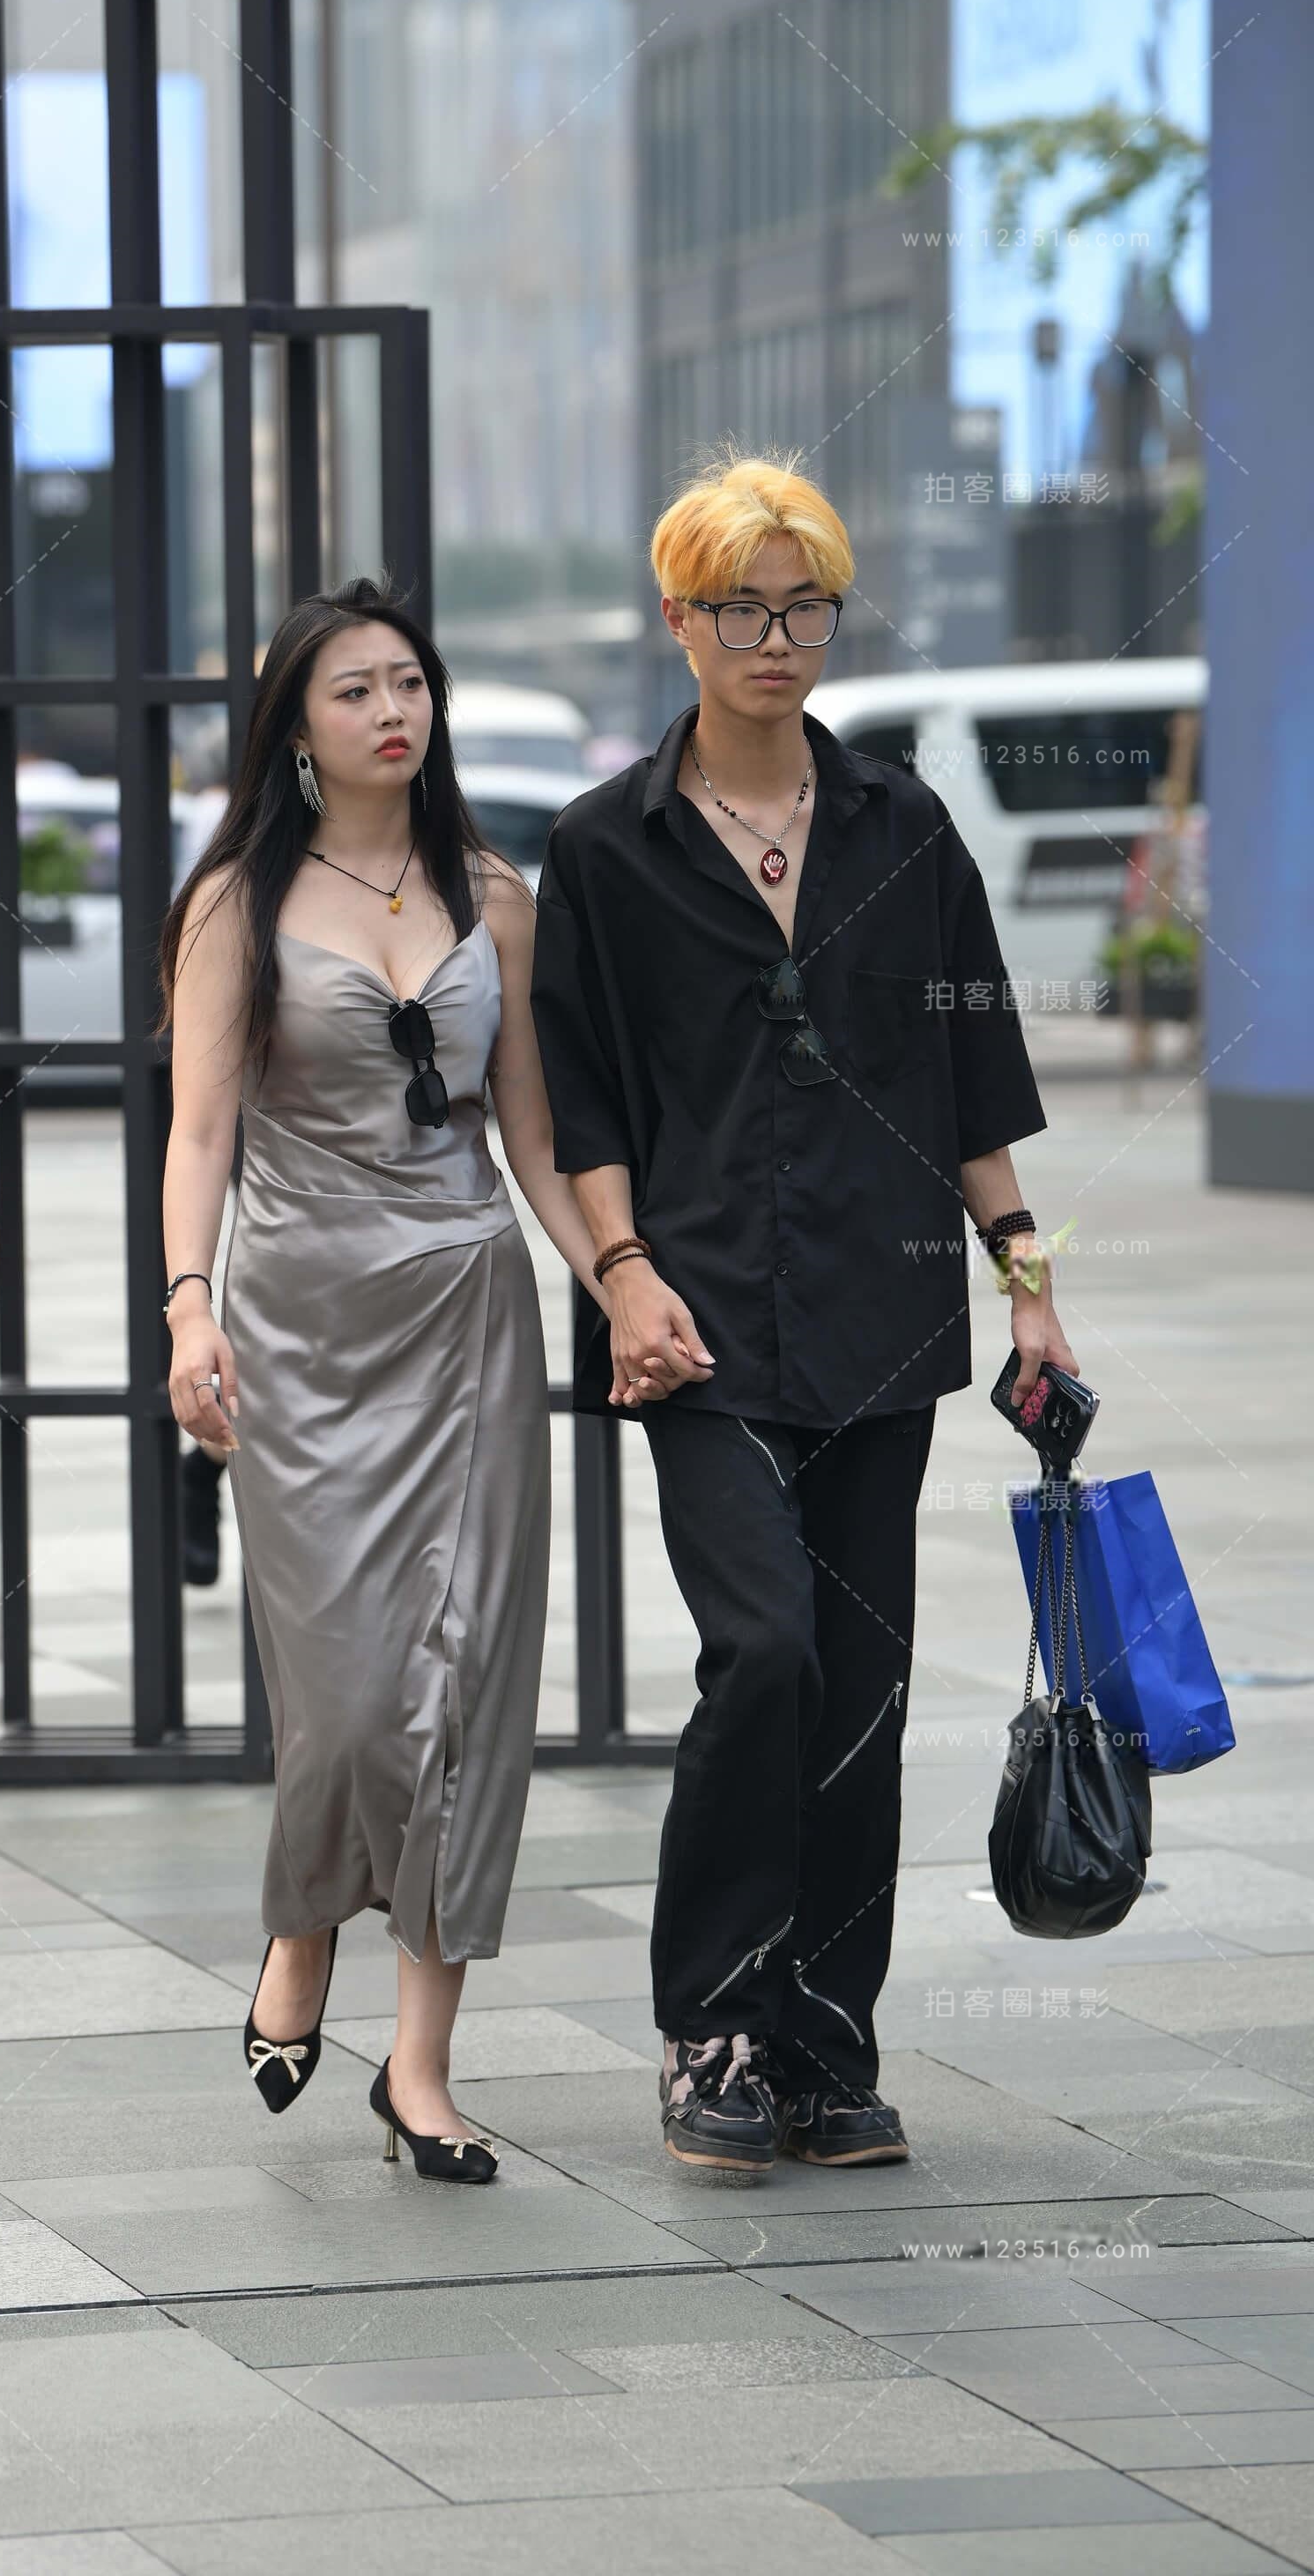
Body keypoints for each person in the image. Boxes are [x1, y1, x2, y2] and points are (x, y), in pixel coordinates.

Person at [530, 453, 1078, 2176]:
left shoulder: (904, 828)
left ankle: (826, 2047)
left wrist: (1031, 1292)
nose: (779, 642)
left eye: (807, 608)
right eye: (744, 611)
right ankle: (712, 2025)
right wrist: (620, 1272)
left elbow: (975, 1077)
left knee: (859, 1694)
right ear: (679, 622)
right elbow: (581, 1098)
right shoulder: (603, 848)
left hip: (879, 1312)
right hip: (690, 1321)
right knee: (763, 1650)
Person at [158, 575, 600, 2181]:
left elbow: (530, 1134)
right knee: (345, 1704)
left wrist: (615, 1277)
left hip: (471, 1314)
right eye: (353, 689)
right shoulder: (236, 903)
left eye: (409, 682)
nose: (390, 710)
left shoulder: (497, 893)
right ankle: (303, 1928)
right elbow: (200, 1132)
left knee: (467, 1691)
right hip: (300, 1330)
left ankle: (422, 2069)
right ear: (296, 725)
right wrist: (189, 1311)